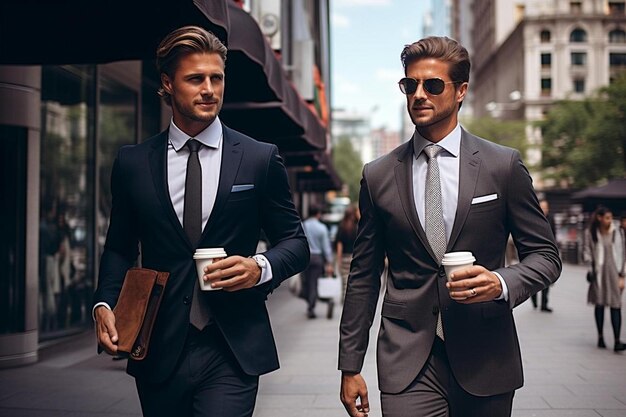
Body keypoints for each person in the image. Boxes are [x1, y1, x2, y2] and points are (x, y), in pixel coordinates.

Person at [338, 36, 561, 417]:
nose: (419, 94)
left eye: (433, 85)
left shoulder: (502, 166)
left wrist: (501, 283)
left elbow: (546, 256)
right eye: (410, 85)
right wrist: (350, 364)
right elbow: (364, 275)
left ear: (460, 91)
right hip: (407, 362)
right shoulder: (377, 176)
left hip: (486, 355)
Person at [92, 26, 309, 417]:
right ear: (167, 83)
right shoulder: (133, 163)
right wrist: (104, 302)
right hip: (157, 345)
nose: (209, 89)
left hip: (234, 345)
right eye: (196, 79)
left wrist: (258, 267)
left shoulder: (260, 158)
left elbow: (295, 243)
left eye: (217, 78)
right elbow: (119, 246)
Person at [583, 206, 626, 352]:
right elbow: (587, 252)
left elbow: (622, 253)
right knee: (599, 304)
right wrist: (590, 269)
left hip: (614, 273)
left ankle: (617, 340)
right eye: (607, 218)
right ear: (599, 218)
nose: (610, 220)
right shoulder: (591, 232)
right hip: (599, 274)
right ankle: (600, 337)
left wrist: (622, 276)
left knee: (616, 305)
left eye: (610, 217)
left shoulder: (617, 232)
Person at [301, 204, 334, 319]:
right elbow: (326, 247)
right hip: (317, 258)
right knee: (314, 283)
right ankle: (312, 305)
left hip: (304, 258)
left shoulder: (302, 226)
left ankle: (310, 303)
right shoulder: (322, 228)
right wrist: (329, 262)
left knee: (306, 283)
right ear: (318, 214)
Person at [530, 199, 556, 312]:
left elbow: (554, 235)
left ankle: (544, 304)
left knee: (546, 279)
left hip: (547, 252)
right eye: (542, 207)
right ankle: (534, 299)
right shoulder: (533, 218)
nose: (544, 210)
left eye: (546, 207)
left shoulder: (551, 219)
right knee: (535, 278)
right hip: (534, 252)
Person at [335, 204, 359, 297]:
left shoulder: (342, 226)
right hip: (354, 257)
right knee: (353, 281)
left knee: (344, 281)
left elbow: (339, 244)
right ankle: (351, 298)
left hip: (344, 257)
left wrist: (339, 259)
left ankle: (344, 298)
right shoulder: (358, 227)